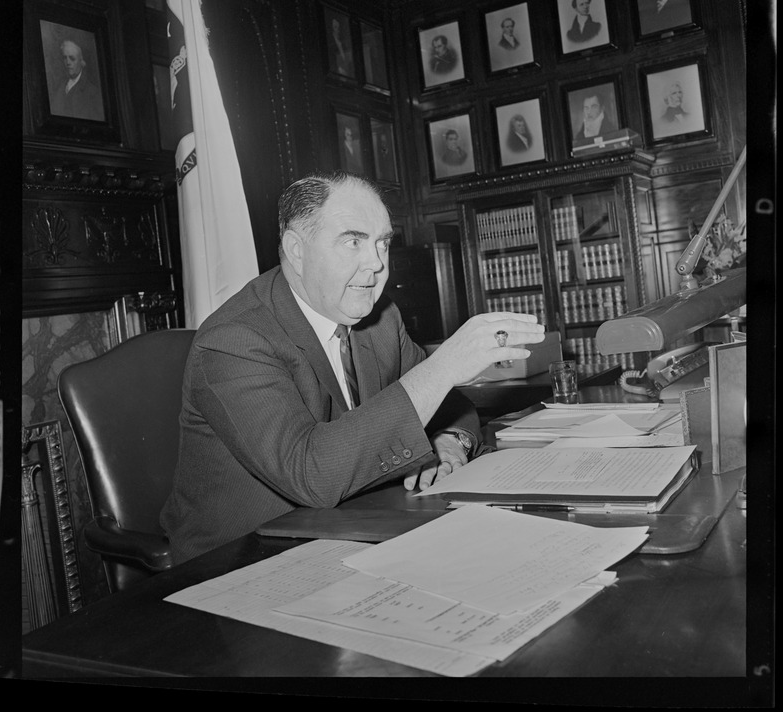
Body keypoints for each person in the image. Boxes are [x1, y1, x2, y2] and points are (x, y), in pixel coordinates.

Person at [160, 172, 544, 562]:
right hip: (241, 562)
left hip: (351, 533)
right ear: (296, 250)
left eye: (382, 243)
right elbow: (312, 476)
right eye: (353, 241)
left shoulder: (380, 320)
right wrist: (443, 366)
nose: (377, 264)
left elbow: (451, 406)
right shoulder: (233, 340)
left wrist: (450, 443)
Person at [49, 39, 104, 121]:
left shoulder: (93, 93)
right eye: (65, 58)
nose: (67, 62)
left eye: (72, 58)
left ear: (81, 61)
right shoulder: (58, 87)